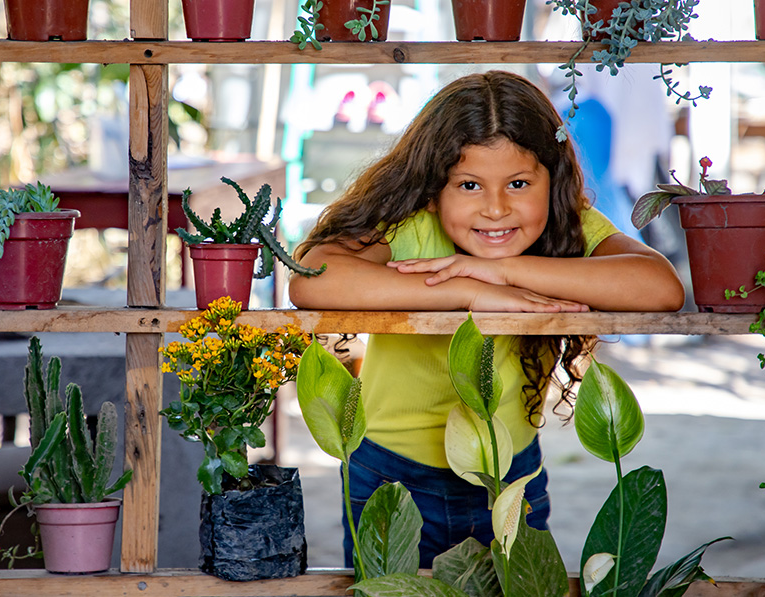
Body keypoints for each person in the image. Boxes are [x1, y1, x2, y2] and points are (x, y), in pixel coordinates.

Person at [288, 70, 684, 569]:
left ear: (552, 180)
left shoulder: (568, 226)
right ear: (433, 189)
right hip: (391, 479)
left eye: (518, 183)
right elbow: (312, 278)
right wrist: (469, 291)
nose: (496, 209)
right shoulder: (413, 226)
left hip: (514, 480)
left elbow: (660, 286)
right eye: (469, 185)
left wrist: (501, 269)